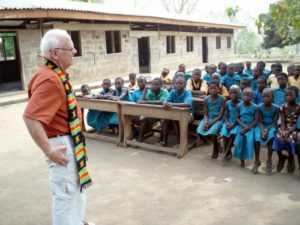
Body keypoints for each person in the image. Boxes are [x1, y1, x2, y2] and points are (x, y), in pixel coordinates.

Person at [23, 29, 93, 225]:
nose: (75, 51)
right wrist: (49, 150)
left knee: (74, 190)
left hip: (69, 140)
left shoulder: (55, 74)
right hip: (61, 143)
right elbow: (30, 117)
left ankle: (77, 221)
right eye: (70, 48)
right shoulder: (51, 79)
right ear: (55, 53)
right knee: (66, 194)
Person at [272, 86, 300, 173]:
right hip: (285, 127)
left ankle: (291, 159)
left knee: (291, 138)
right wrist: (283, 131)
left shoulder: (299, 107)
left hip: (296, 128)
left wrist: (289, 131)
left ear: (296, 96)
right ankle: (282, 158)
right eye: (287, 95)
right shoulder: (283, 106)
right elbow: (283, 121)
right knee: (278, 138)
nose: (288, 97)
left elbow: (297, 123)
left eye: (291, 95)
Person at [197, 81, 226, 158]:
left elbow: (220, 115)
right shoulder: (206, 99)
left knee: (212, 132)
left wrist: (210, 124)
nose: (212, 90)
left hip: (218, 119)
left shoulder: (222, 99)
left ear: (218, 89)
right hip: (208, 118)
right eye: (210, 89)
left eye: (215, 88)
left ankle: (215, 149)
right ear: (208, 89)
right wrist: (206, 122)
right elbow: (205, 113)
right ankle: (216, 144)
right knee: (199, 131)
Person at [161, 77, 193, 147]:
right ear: (175, 84)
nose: (179, 85)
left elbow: (186, 104)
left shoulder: (187, 92)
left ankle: (180, 143)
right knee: (166, 120)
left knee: (175, 121)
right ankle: (164, 141)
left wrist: (172, 104)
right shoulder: (173, 92)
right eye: (177, 83)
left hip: (187, 114)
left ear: (184, 84)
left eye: (181, 83)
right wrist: (165, 103)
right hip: (174, 114)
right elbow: (166, 100)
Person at [255, 88, 279, 174]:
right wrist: (262, 130)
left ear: (272, 97)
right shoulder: (259, 107)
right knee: (257, 137)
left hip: (271, 126)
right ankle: (257, 160)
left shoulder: (276, 108)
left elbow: (274, 122)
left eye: (267, 96)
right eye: (263, 96)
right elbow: (259, 121)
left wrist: (267, 130)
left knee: (271, 136)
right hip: (261, 126)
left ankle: (269, 160)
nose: (265, 98)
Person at [137, 78, 169, 142]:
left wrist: (146, 102)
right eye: (153, 84)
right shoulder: (151, 92)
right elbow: (142, 100)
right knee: (143, 119)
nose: (154, 86)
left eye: (157, 84)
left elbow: (161, 101)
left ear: (161, 85)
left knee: (164, 121)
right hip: (154, 113)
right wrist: (145, 90)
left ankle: (163, 140)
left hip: (164, 114)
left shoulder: (164, 92)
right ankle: (140, 137)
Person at [234, 87, 258, 169]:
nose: (246, 97)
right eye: (244, 95)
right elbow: (237, 118)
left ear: (252, 97)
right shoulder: (239, 106)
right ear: (241, 95)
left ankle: (255, 160)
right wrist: (243, 126)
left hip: (251, 127)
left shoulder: (255, 107)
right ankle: (242, 161)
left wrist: (248, 128)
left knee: (249, 141)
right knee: (240, 143)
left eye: (248, 95)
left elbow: (256, 120)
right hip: (241, 126)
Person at [220, 85, 240, 162]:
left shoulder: (241, 104)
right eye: (231, 93)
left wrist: (233, 124)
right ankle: (227, 152)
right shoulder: (227, 103)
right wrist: (227, 123)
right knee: (224, 134)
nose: (233, 94)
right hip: (228, 122)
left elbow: (240, 117)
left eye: (235, 93)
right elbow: (225, 115)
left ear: (239, 93)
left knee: (232, 134)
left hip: (236, 123)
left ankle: (226, 153)